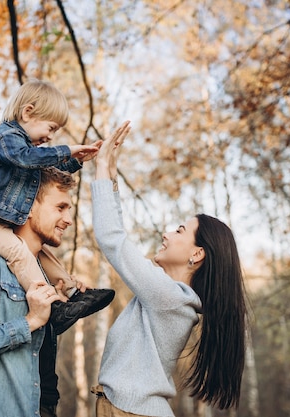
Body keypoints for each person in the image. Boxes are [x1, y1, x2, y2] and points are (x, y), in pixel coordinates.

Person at [90, 121, 248, 416]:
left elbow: (112, 238)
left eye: (179, 231)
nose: (166, 234)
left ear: (197, 253)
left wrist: (100, 169)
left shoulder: (169, 297)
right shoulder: (169, 297)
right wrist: (111, 177)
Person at [0, 79, 114, 335]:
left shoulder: (28, 150)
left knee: (38, 251)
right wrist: (65, 150)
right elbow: (27, 158)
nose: (51, 137)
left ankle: (73, 292)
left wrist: (76, 160)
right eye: (51, 128)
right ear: (28, 112)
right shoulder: (7, 138)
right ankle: (51, 306)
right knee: (20, 252)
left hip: (1, 222)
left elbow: (48, 166)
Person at [0, 167, 85, 417]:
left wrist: (57, 308)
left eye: (69, 210)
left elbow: (35, 353)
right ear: (28, 206)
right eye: (60, 207)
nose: (68, 219)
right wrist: (30, 321)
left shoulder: (42, 275)